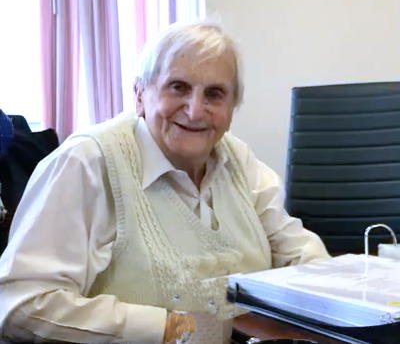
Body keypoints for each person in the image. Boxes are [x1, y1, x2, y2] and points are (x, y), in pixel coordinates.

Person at [0, 21, 330, 344]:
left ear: (232, 108)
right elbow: (18, 304)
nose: (195, 110)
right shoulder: (88, 163)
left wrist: (334, 298)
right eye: (178, 87)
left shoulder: (238, 159)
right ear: (141, 94)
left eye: (214, 94)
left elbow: (297, 250)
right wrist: (170, 329)